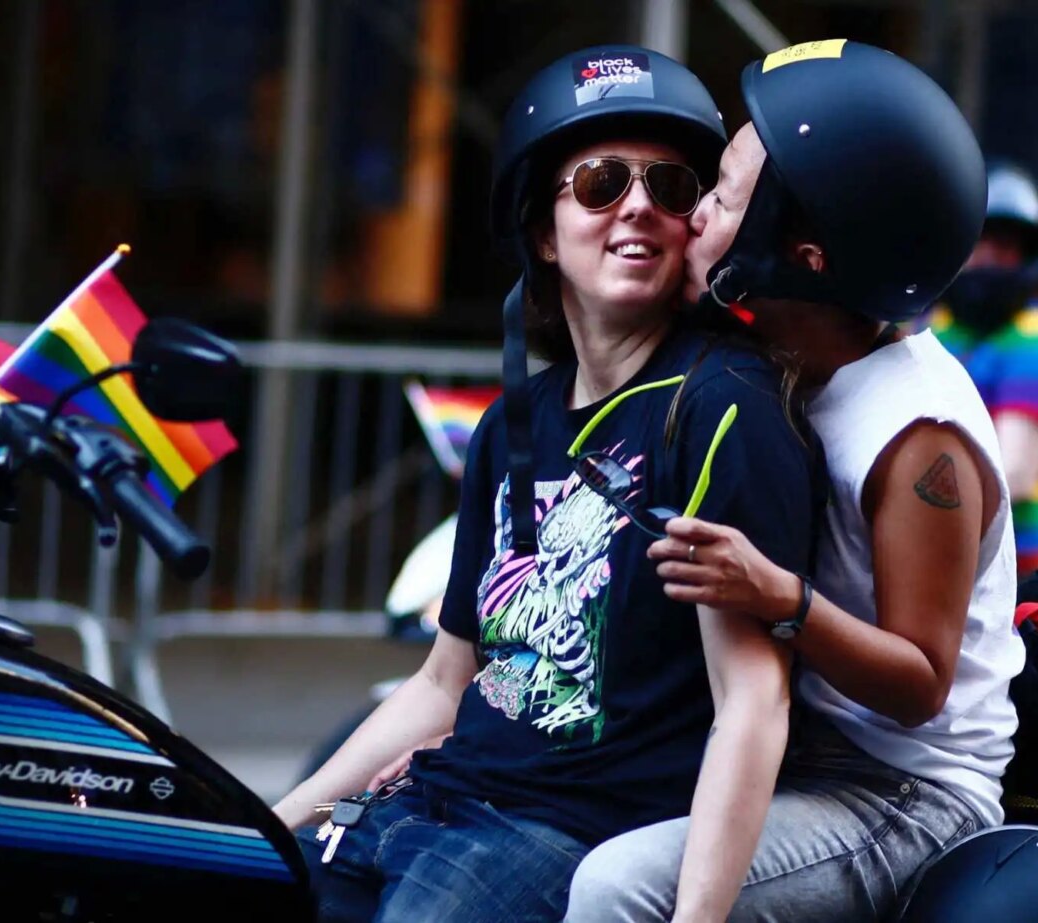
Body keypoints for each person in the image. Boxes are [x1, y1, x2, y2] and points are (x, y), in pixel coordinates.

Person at [273, 45, 817, 922]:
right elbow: (442, 684)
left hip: (551, 835)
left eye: (673, 187)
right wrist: (267, 823)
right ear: (542, 232)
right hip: (422, 805)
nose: (639, 204)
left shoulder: (722, 408)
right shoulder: (512, 422)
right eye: (602, 182)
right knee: (251, 883)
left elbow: (752, 703)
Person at [564, 40, 1026, 921]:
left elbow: (922, 681)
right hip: (800, 747)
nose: (696, 213)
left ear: (804, 247)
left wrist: (776, 592)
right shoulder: (780, 359)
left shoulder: (917, 434)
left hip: (901, 793)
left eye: (728, 194)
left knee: (620, 886)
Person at [927, 162, 1038, 576]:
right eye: (976, 242)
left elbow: (1010, 477)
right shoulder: (932, 326)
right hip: (933, 554)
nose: (985, 258)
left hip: (1016, 571)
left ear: (1030, 256)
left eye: (1002, 246)